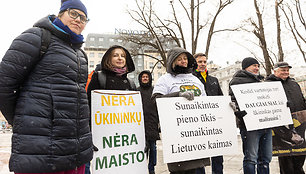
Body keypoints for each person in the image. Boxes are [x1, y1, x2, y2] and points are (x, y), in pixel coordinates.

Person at [0, 0, 93, 173]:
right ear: (60, 14)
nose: (78, 20)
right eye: (73, 14)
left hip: (74, 153)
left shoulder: (81, 54)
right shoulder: (37, 37)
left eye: (83, 18)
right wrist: (21, 121)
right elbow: (4, 84)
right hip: (41, 153)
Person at [152, 47, 207, 174]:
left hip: (196, 131)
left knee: (197, 169)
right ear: (172, 61)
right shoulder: (165, 79)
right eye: (179, 59)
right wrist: (178, 95)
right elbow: (156, 101)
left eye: (185, 58)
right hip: (177, 134)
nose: (183, 61)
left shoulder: (195, 79)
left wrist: (225, 108)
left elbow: (206, 102)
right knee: (180, 170)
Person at [229, 57, 272, 174]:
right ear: (246, 67)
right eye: (254, 65)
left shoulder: (260, 81)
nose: (257, 68)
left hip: (264, 124)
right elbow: (232, 100)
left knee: (266, 158)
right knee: (251, 158)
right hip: (249, 125)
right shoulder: (237, 81)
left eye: (258, 66)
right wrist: (238, 110)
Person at [266, 62, 306, 174]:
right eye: (283, 70)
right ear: (275, 71)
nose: (286, 72)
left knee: (300, 154)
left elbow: (301, 99)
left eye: (287, 70)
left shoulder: (294, 83)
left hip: (299, 124)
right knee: (286, 157)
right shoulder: (268, 85)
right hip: (282, 127)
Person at [193, 53, 224, 174]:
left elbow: (220, 99)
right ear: (195, 63)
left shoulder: (213, 80)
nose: (202, 64)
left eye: (204, 62)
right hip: (198, 124)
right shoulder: (192, 79)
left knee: (217, 156)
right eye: (200, 62)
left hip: (214, 123)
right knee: (199, 158)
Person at [137, 70, 160, 174]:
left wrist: (159, 122)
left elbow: (159, 107)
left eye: (147, 77)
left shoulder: (155, 91)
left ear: (150, 78)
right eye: (143, 77)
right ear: (140, 79)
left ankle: (152, 168)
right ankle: (142, 168)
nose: (145, 78)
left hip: (152, 123)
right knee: (142, 148)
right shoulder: (136, 91)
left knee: (153, 148)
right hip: (139, 124)